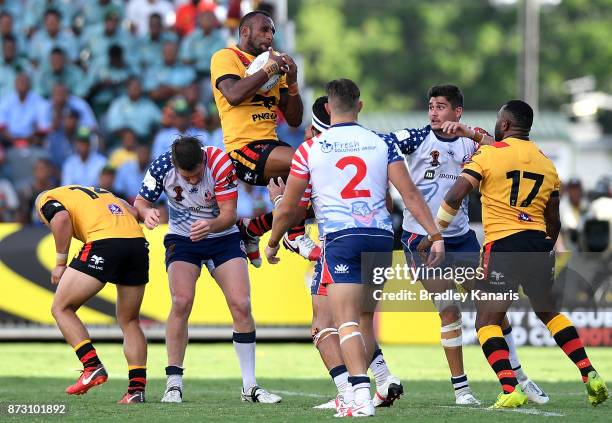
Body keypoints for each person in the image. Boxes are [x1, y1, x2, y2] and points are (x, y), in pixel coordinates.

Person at [265, 79, 444, 417]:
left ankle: (359, 398)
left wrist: (273, 243)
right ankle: (378, 380)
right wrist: (435, 235)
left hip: (342, 237)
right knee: (363, 319)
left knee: (343, 322)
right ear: (359, 106)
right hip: (379, 237)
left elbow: (289, 209)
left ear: (328, 108)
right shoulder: (380, 143)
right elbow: (408, 196)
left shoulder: (310, 149)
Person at [428, 99, 608, 408]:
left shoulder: (489, 154)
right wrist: (546, 249)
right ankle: (590, 374)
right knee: (549, 313)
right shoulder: (546, 162)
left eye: (499, 121)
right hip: (538, 244)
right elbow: (555, 219)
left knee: (486, 321)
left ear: (506, 125)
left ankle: (510, 387)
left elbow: (455, 195)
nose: (497, 125)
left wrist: (436, 233)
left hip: (504, 245)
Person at [391, 84, 547, 405]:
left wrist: (471, 133)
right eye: (431, 106)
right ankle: (462, 390)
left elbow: (505, 152)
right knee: (449, 310)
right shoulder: (416, 137)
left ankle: (520, 377)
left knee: (492, 310)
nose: (433, 112)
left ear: (457, 112)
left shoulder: (470, 141)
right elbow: (381, 145)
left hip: (460, 239)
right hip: (420, 240)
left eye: (441, 107)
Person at [134, 136, 281, 404]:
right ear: (175, 165)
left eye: (196, 175)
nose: (191, 181)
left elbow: (228, 213)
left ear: (203, 160)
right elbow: (141, 202)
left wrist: (209, 226)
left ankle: (250, 386)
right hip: (182, 238)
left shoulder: (220, 163)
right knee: (181, 301)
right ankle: (173, 384)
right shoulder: (162, 166)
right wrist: (147, 214)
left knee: (241, 303)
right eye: (185, 176)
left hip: (222, 236)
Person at [210, 10, 318, 262]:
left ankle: (253, 228)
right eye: (264, 30)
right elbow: (234, 94)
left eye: (272, 31)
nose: (270, 36)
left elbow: (293, 119)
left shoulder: (273, 63)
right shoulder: (226, 57)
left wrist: (292, 82)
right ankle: (294, 234)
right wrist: (269, 70)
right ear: (245, 31)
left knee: (319, 188)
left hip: (271, 147)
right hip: (243, 149)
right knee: (307, 162)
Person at [35, 185, 149, 403]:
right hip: (137, 243)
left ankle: (91, 365)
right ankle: (136, 391)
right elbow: (132, 212)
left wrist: (60, 264)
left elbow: (60, 219)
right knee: (130, 320)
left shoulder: (46, 199)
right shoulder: (100, 192)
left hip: (104, 242)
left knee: (61, 308)